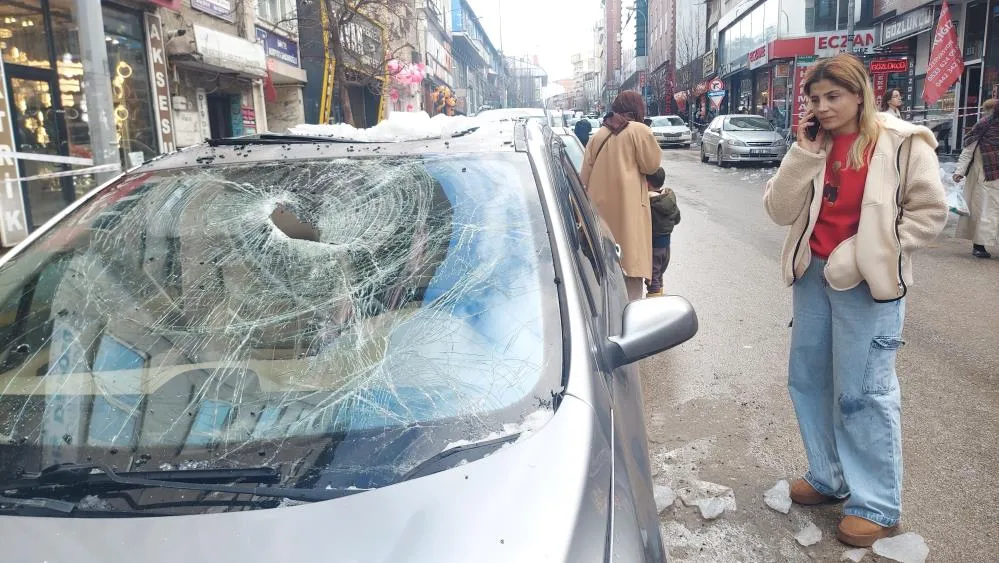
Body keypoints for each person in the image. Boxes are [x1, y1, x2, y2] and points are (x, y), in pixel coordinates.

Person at [763, 54, 947, 548]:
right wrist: (802, 153)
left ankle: (876, 505)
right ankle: (828, 476)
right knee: (809, 380)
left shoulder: (903, 142)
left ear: (860, 94)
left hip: (868, 284)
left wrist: (875, 251)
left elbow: (930, 212)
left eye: (833, 96)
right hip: (812, 278)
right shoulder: (814, 144)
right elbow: (779, 210)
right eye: (814, 98)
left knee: (864, 391)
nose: (822, 107)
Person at [581, 91, 662, 300]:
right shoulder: (639, 131)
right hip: (629, 220)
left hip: (600, 223)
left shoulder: (597, 136)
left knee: (605, 282)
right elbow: (652, 165)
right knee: (630, 282)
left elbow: (584, 179)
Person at [953, 98, 999, 258]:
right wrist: (959, 171)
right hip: (984, 177)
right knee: (983, 213)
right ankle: (979, 246)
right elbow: (968, 150)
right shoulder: (983, 126)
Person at [645, 167, 680, 297]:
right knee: (658, 275)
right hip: (666, 247)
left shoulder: (650, 202)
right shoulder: (668, 198)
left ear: (647, 183)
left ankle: (654, 303)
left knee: (652, 279)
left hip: (654, 247)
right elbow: (677, 219)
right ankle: (659, 297)